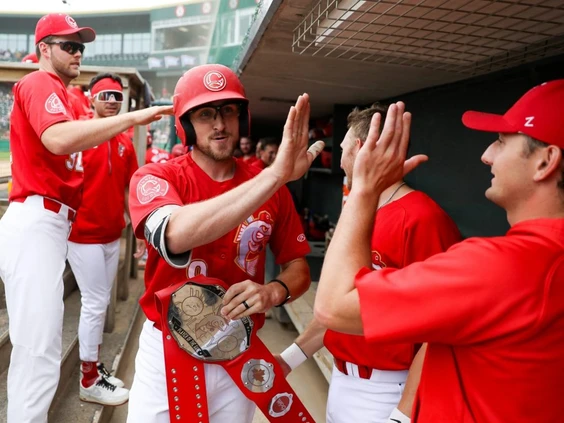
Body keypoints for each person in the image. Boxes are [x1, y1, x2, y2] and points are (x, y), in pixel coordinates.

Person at [314, 81, 564, 422]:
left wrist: (364, 190)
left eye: (502, 142)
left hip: (384, 389)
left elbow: (334, 304)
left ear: (546, 161)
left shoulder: (501, 264)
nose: (487, 154)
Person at [126, 64, 324, 423]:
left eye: (228, 111)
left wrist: (274, 292)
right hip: (168, 348)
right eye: (205, 114)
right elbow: (174, 234)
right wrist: (276, 176)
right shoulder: (155, 177)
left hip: (240, 350)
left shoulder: (269, 188)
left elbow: (298, 268)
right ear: (186, 125)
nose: (219, 124)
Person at [0, 13, 172, 423]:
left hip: (51, 224)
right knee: (38, 349)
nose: (78, 52)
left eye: (81, 46)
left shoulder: (64, 92)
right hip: (36, 219)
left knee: (37, 347)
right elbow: (57, 139)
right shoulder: (41, 82)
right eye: (69, 45)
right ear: (44, 48)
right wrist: (130, 118)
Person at [276, 104, 461, 423]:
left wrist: (403, 413)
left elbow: (442, 330)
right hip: (342, 379)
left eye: (344, 147)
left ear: (360, 148)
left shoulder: (423, 218)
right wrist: (290, 359)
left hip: (388, 389)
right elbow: (336, 308)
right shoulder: (359, 214)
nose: (340, 155)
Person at [66, 72, 146, 406]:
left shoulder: (125, 139)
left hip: (112, 233)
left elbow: (133, 187)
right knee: (96, 303)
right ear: (92, 99)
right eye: (105, 95)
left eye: (116, 96)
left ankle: (94, 368)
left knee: (100, 302)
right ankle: (88, 380)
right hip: (83, 234)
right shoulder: (81, 132)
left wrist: (138, 230)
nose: (112, 101)